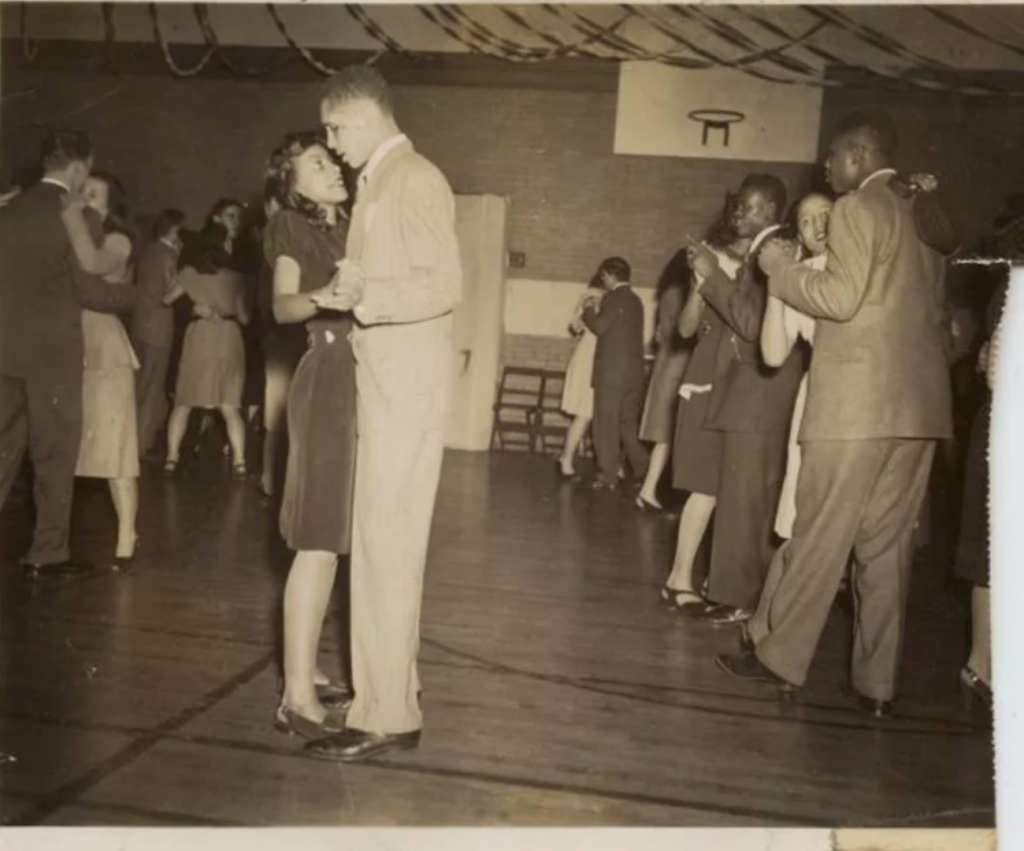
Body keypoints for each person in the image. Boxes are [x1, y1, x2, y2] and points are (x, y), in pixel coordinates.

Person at [718, 110, 955, 717]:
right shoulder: (926, 213)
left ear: (857, 155)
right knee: (886, 552)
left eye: (831, 158)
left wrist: (779, 270)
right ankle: (876, 686)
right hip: (919, 411)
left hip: (854, 406)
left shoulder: (857, 207)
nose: (825, 168)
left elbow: (839, 298)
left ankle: (778, 660)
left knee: (819, 538)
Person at [305, 65, 462, 762]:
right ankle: (391, 688)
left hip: (404, 383)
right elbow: (389, 272)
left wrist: (364, 300)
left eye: (335, 128)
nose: (331, 142)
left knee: (384, 546)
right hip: (385, 379)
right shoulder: (380, 182)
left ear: (366, 115)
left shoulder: (415, 178)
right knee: (381, 545)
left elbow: (443, 282)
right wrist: (355, 280)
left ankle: (387, 715)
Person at [0, 130, 135, 578]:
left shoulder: (9, 206)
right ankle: (47, 553)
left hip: (5, 348)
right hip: (53, 354)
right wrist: (135, 297)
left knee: (3, 450)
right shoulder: (75, 216)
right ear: (78, 168)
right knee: (54, 455)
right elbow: (91, 290)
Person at [685, 174, 804, 627]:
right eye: (738, 206)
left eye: (751, 208)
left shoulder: (774, 254)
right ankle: (734, 594)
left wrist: (712, 277)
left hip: (759, 398)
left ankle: (742, 598)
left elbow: (753, 325)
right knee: (740, 502)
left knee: (746, 504)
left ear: (773, 211)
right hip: (750, 398)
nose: (739, 214)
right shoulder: (760, 254)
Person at [660, 201, 746, 610]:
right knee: (707, 486)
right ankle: (679, 577)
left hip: (751, 387)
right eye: (740, 210)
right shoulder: (713, 258)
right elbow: (687, 327)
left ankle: (723, 577)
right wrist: (701, 283)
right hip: (709, 382)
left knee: (738, 490)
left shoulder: (775, 257)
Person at [64, 172, 142, 570]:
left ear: (111, 209)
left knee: (116, 446)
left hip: (105, 349)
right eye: (80, 192)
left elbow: (93, 265)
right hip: (67, 343)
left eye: (93, 196)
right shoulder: (71, 236)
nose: (83, 199)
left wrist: (71, 214)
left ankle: (127, 532)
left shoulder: (116, 241)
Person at [760, 193, 833, 541]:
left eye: (826, 214)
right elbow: (774, 354)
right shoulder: (801, 273)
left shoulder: (866, 264)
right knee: (807, 505)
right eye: (806, 220)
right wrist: (777, 284)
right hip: (822, 392)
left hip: (869, 395)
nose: (818, 225)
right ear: (800, 237)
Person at [163, 222, 250, 477]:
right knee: (230, 405)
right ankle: (240, 462)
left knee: (184, 402)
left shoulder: (189, 273)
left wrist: (194, 303)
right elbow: (245, 318)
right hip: (229, 338)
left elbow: (166, 299)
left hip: (201, 337)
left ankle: (171, 459)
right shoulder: (237, 278)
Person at [581, 257, 648, 490]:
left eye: (604, 277)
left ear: (610, 275)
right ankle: (645, 469)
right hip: (634, 375)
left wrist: (588, 310)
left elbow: (600, 327)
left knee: (606, 425)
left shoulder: (613, 298)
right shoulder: (636, 301)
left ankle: (608, 475)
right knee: (627, 425)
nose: (603, 281)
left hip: (611, 375)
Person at [636, 253, 694, 511]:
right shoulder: (681, 293)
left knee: (665, 437)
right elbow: (682, 332)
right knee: (669, 434)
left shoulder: (669, 292)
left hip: (668, 365)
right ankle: (654, 490)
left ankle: (649, 489)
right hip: (677, 366)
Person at [131, 209, 185, 459]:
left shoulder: (148, 250)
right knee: (152, 389)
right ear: (175, 230)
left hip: (140, 325)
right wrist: (188, 277)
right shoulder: (167, 255)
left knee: (139, 386)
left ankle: (132, 443)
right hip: (159, 329)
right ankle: (141, 446)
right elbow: (167, 296)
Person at [557, 276, 603, 479]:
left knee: (595, 416)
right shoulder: (592, 299)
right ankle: (566, 459)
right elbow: (575, 327)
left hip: (601, 360)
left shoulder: (610, 301)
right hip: (588, 360)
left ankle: (606, 464)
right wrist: (587, 305)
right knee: (584, 414)